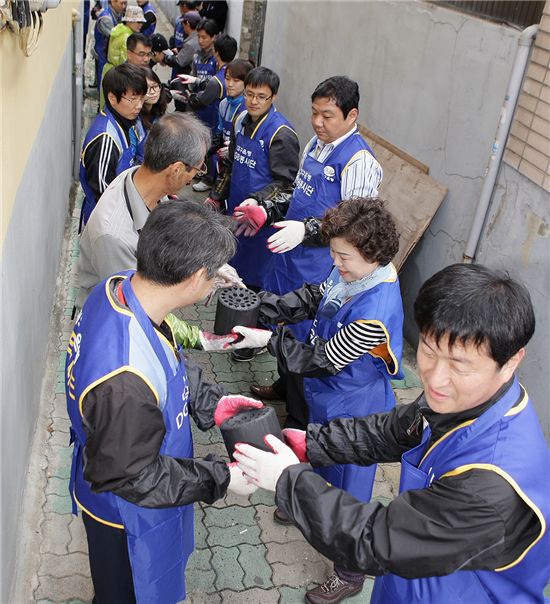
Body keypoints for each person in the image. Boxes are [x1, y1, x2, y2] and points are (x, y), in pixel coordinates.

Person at [235, 263, 550, 604]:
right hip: (411, 579)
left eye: (459, 364)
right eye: (428, 351)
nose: (435, 378)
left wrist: (288, 481)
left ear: (512, 361)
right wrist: (312, 444)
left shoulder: (492, 487)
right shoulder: (468, 398)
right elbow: (395, 431)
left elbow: (377, 541)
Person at [66, 200, 260, 604]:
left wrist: (212, 404)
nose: (214, 284)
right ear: (191, 278)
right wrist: (221, 477)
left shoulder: (121, 286)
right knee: (127, 592)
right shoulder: (124, 383)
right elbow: (133, 478)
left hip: (129, 458)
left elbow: (164, 352)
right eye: (211, 278)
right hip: (125, 513)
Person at [239, 76, 383, 393]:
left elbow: (354, 224)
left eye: (327, 115)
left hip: (320, 264)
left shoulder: (358, 161)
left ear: (352, 115)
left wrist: (306, 230)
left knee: (308, 332)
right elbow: (298, 191)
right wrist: (267, 207)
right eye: (314, 113)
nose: (318, 122)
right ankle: (283, 385)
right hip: (290, 256)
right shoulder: (314, 145)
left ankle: (299, 411)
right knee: (285, 320)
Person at [77, 112, 243, 348]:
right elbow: (140, 306)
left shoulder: (138, 180)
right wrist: (201, 338)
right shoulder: (114, 236)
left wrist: (208, 260)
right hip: (115, 331)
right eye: (197, 169)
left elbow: (169, 229)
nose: (194, 177)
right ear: (175, 170)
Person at [206, 67, 300, 292]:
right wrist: (216, 196)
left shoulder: (281, 134)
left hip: (260, 221)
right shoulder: (240, 119)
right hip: (236, 212)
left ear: (273, 97)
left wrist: (258, 202)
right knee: (231, 273)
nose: (253, 101)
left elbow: (285, 185)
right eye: (249, 94)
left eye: (261, 96)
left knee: (253, 283)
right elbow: (231, 163)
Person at [79, 63, 147, 226]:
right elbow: (104, 193)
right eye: (132, 99)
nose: (139, 105)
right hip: (106, 222)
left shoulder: (131, 120)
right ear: (112, 98)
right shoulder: (105, 139)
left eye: (141, 98)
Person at [181, 34, 238, 191]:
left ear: (216, 52)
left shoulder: (219, 80)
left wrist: (188, 96)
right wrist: (197, 82)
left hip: (213, 119)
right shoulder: (231, 73)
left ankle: (208, 179)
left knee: (212, 148)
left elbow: (202, 100)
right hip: (223, 119)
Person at [98, 4, 146, 108]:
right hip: (117, 77)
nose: (141, 25)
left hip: (109, 71)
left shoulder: (119, 29)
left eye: (142, 22)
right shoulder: (126, 37)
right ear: (129, 21)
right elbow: (127, 63)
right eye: (138, 22)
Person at [136, 68, 171, 161]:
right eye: (147, 88)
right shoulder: (134, 116)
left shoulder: (160, 113)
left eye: (155, 86)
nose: (152, 92)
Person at [92, 0, 127, 89]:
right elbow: (116, 37)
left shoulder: (118, 14)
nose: (124, 6)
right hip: (103, 55)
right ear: (113, 2)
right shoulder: (106, 19)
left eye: (125, 3)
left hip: (109, 54)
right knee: (104, 84)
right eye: (122, 3)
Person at [162, 9, 201, 83]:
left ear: (188, 24)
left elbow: (179, 62)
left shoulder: (191, 43)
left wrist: (165, 57)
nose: (182, 26)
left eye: (183, 23)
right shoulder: (197, 37)